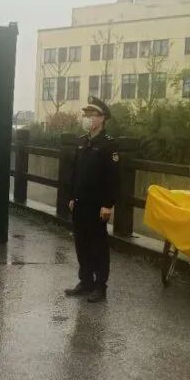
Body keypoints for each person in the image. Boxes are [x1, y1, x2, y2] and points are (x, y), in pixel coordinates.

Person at [65, 96, 120, 303]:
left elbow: (113, 178)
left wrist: (108, 204)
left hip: (97, 205)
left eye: (91, 115)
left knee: (98, 245)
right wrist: (72, 196)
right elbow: (75, 172)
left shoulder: (108, 144)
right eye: (86, 114)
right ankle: (85, 280)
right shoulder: (82, 142)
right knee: (81, 242)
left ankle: (100, 286)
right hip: (80, 202)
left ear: (102, 118)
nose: (87, 118)